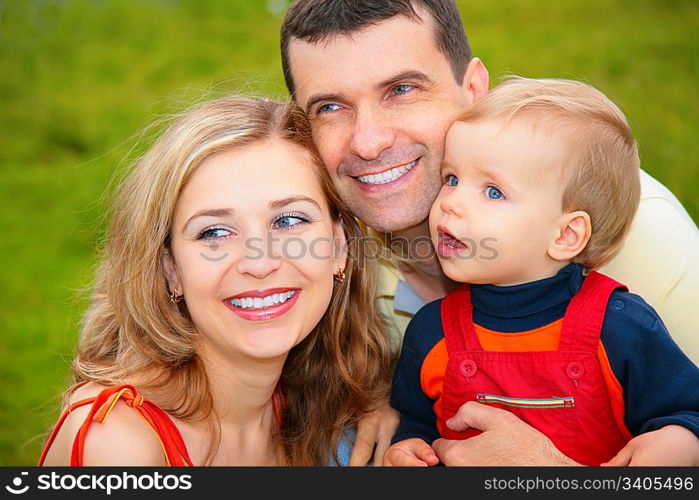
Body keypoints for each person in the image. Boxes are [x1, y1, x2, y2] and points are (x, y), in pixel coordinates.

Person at [280, 0, 699, 464]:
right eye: (331, 107)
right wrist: (387, 407)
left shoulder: (639, 235)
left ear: (474, 89)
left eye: (401, 89)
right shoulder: (330, 250)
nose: (368, 142)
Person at [38, 95, 394, 466]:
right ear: (170, 268)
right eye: (215, 232)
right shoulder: (119, 442)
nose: (260, 262)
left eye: (289, 221)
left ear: (338, 247)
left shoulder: (317, 409)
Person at [383, 77, 699, 466]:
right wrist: (408, 446)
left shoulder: (619, 327)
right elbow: (415, 420)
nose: (451, 203)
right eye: (452, 179)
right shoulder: (432, 332)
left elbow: (687, 410)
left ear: (566, 235)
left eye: (493, 191)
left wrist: (677, 441)